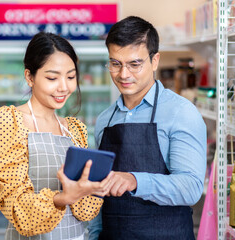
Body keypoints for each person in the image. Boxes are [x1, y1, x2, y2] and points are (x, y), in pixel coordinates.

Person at [0, 32, 113, 240]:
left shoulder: (75, 129)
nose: (64, 87)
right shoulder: (7, 122)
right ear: (29, 77)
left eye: (70, 77)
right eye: (52, 78)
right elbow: (14, 205)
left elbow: (85, 212)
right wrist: (61, 198)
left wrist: (93, 188)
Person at [88, 16, 207, 240]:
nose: (124, 74)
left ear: (155, 61)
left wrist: (135, 180)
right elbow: (99, 195)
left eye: (135, 64)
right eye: (115, 63)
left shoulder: (181, 113)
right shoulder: (105, 120)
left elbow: (190, 187)